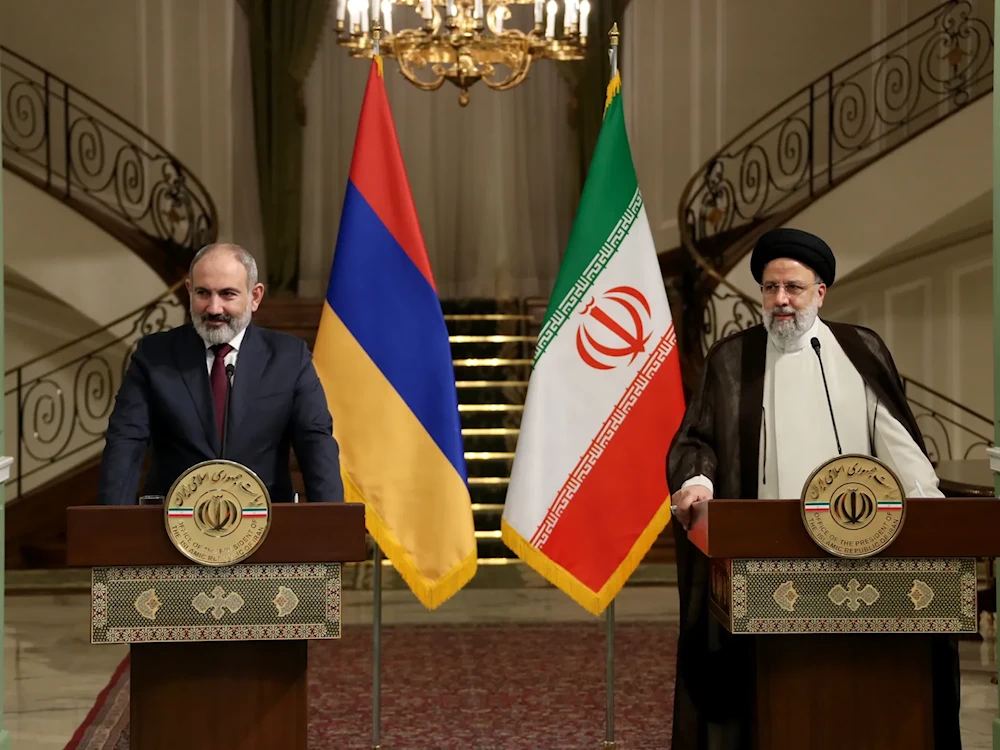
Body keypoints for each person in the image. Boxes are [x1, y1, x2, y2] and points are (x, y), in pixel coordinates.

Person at [666, 227, 960, 750]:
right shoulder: (733, 358)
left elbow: (900, 445)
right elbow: (699, 438)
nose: (782, 300)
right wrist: (696, 481)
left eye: (794, 288)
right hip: (768, 565)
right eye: (771, 288)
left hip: (863, 556)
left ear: (820, 292)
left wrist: (931, 515)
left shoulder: (859, 350)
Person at [96, 242, 344, 505]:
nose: (214, 309)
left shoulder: (290, 357)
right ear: (189, 291)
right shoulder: (154, 356)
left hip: (264, 523)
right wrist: (110, 525)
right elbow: (126, 443)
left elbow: (316, 444)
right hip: (174, 524)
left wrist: (332, 530)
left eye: (227, 294)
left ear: (255, 297)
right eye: (203, 293)